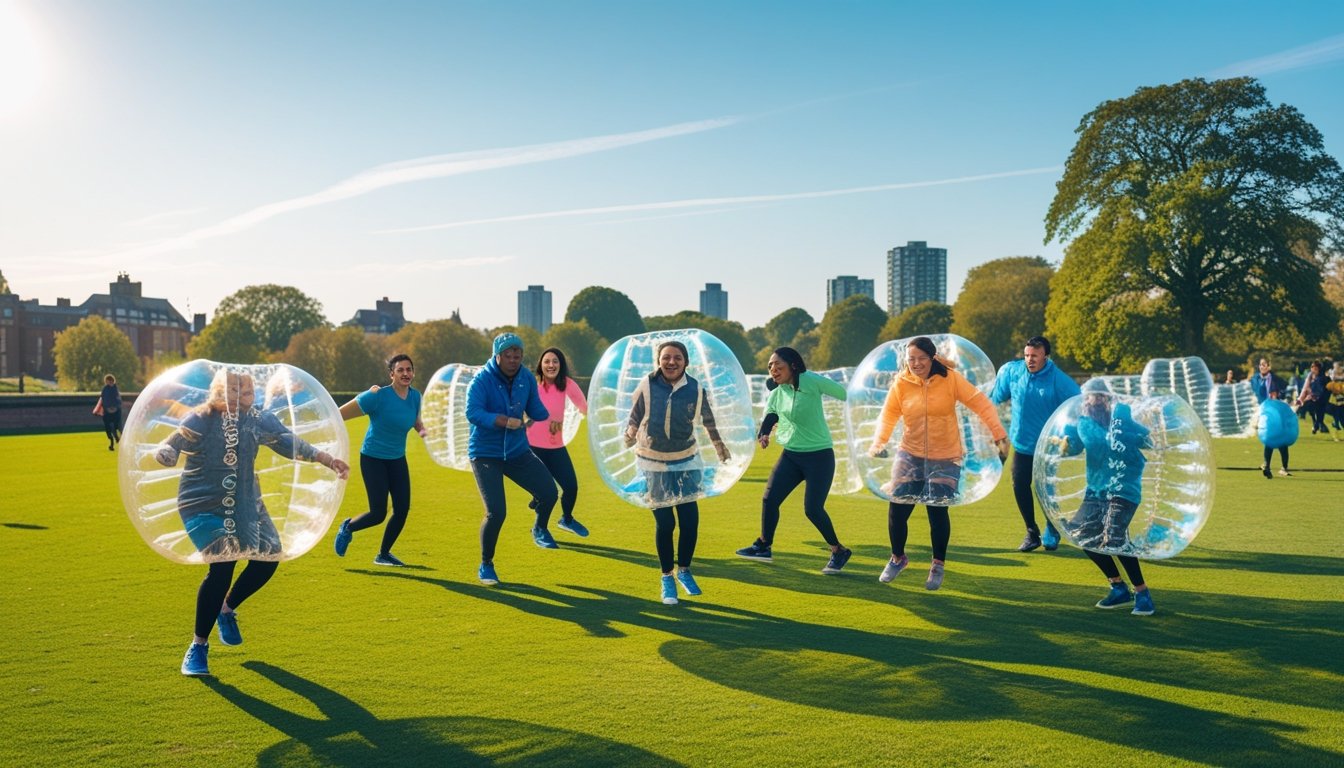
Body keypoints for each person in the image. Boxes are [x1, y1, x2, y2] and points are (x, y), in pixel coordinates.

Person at [156, 368, 349, 676]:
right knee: (222, 563)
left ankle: (226, 608)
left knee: (269, 557)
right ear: (219, 392)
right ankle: (198, 647)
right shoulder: (202, 417)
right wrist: (167, 452)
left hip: (245, 501)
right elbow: (175, 441)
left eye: (246, 392)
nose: (241, 398)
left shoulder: (258, 419)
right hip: (201, 502)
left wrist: (328, 460)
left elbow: (290, 442)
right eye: (233, 391)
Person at [868, 337, 1009, 590]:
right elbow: (888, 414)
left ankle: (938, 563)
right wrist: (879, 442)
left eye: (922, 358)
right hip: (909, 453)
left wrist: (998, 434)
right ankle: (898, 558)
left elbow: (980, 402)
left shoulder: (950, 379)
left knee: (937, 510)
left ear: (932, 358)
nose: (916, 364)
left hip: (945, 455)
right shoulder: (901, 382)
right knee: (897, 507)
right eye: (911, 359)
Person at [624, 339, 730, 605]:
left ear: (685, 362)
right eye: (666, 357)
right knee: (666, 523)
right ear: (658, 361)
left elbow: (708, 419)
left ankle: (684, 570)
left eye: (677, 358)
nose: (671, 362)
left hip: (686, 461)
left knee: (690, 521)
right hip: (653, 462)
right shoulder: (647, 385)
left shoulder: (695, 388)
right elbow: (635, 416)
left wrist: (719, 446)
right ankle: (667, 577)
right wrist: (629, 434)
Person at [735, 347, 853, 574]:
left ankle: (838, 550)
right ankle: (763, 546)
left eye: (778, 366)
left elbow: (844, 393)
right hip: (791, 454)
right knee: (770, 500)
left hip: (819, 456)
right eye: (770, 366)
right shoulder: (777, 392)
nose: (773, 370)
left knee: (813, 509)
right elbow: (771, 415)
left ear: (793, 366)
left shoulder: (811, 381)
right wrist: (764, 433)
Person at [466, 333, 557, 586]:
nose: (514, 359)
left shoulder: (526, 378)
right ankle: (486, 564)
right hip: (485, 453)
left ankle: (539, 528)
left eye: (518, 355)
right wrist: (504, 421)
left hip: (517, 450)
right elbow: (473, 413)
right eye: (508, 355)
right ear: (498, 355)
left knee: (550, 493)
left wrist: (548, 393)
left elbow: (536, 409)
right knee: (496, 513)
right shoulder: (481, 380)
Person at [1053, 392, 1156, 615]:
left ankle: (1142, 593)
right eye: (1089, 397)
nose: (1093, 401)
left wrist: (1135, 428)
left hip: (1123, 487)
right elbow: (1075, 447)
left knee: (1114, 539)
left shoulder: (1122, 420)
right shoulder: (1083, 423)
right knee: (1082, 536)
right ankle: (1118, 587)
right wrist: (1065, 445)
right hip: (1096, 491)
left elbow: (1148, 441)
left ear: (1107, 400)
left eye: (1098, 397)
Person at [334, 354, 428, 567]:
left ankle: (383, 554)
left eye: (409, 369)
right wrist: (364, 393)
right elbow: (339, 414)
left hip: (397, 459)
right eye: (400, 370)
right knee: (378, 513)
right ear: (391, 374)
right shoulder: (377, 396)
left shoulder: (415, 397)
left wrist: (423, 432)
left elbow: (415, 420)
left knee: (402, 509)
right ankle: (348, 527)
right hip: (373, 458)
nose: (406, 373)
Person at [989, 336, 1081, 552]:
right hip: (1021, 444)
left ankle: (1053, 526)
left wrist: (1068, 436)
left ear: (1046, 357)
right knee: (1019, 485)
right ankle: (1032, 532)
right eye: (1027, 355)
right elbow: (996, 397)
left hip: (1048, 446)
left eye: (1035, 356)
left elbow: (1078, 408)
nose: (1029, 360)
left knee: (1045, 490)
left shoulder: (1060, 381)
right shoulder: (1014, 372)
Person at [525, 347, 590, 538]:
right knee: (547, 491)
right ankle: (539, 527)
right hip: (531, 447)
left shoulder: (567, 384)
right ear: (541, 365)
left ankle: (566, 519)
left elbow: (584, 407)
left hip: (555, 447)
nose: (551, 365)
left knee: (571, 486)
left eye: (555, 361)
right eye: (547, 361)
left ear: (561, 365)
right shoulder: (532, 384)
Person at [1251, 358, 1291, 477]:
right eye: (1260, 365)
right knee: (1269, 438)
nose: (1262, 367)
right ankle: (1267, 465)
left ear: (1269, 366)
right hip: (1264, 413)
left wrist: (1282, 397)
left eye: (1264, 365)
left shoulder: (1275, 379)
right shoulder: (1255, 379)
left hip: (1276, 411)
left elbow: (1285, 388)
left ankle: (1283, 467)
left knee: (1281, 440)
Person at [1296, 360, 1339, 441]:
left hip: (1324, 400)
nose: (1312, 369)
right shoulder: (1311, 377)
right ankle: (1317, 425)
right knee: (1313, 410)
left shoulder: (1323, 378)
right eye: (1312, 367)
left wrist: (1311, 396)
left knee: (1322, 414)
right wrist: (1301, 399)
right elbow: (1305, 388)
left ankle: (1318, 425)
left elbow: (1322, 391)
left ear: (1319, 369)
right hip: (1315, 400)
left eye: (1315, 368)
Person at [99, 374, 124, 451]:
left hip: (115, 411)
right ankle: (112, 443)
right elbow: (104, 400)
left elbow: (118, 399)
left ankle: (121, 441)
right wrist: (108, 408)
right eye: (108, 381)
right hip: (108, 411)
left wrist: (115, 407)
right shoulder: (105, 390)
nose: (110, 382)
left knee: (118, 427)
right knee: (110, 428)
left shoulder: (115, 389)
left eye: (111, 381)